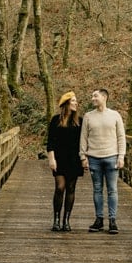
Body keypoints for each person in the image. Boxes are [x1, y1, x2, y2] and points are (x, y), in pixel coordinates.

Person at [79, 88, 126, 234]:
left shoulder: (115, 115)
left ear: (104, 97)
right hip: (94, 158)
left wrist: (121, 156)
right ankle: (99, 219)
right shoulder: (88, 116)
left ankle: (112, 220)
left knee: (112, 190)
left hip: (111, 156)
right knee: (97, 190)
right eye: (92, 96)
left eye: (95, 96)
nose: (92, 98)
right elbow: (83, 137)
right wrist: (83, 156)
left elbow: (121, 137)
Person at [46, 91, 83, 232]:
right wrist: (51, 159)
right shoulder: (56, 120)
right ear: (66, 103)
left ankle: (66, 220)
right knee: (60, 187)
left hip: (74, 159)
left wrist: (85, 159)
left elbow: (84, 142)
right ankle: (56, 220)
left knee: (71, 189)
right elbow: (50, 142)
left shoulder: (80, 121)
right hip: (59, 159)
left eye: (76, 101)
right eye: (73, 101)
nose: (76, 103)